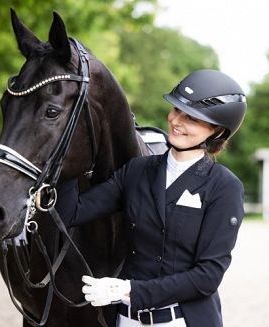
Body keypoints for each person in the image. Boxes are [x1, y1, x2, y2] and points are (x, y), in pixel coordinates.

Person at [56, 69, 247, 327]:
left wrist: (126, 291)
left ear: (217, 132)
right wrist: (69, 153)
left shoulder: (224, 187)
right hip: (127, 320)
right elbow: (72, 213)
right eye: (177, 110)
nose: (176, 120)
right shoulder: (137, 171)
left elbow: (206, 277)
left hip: (181, 321)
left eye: (191, 117)